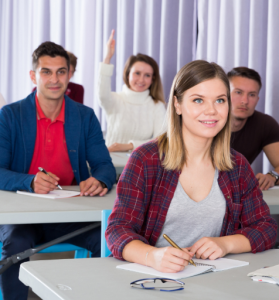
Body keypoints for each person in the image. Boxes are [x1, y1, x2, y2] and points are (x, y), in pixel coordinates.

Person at [106, 60, 277, 273]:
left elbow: (267, 228)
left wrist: (226, 244)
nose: (211, 111)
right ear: (177, 104)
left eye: (220, 100)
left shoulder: (237, 165)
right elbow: (117, 230)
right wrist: (152, 256)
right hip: (156, 281)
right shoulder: (146, 159)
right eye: (198, 100)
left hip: (217, 282)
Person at [0, 41, 116, 300]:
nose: (55, 79)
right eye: (46, 71)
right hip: (22, 217)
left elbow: (105, 165)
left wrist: (100, 179)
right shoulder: (9, 115)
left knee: (109, 242)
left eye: (61, 71)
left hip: (69, 214)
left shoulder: (85, 117)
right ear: (33, 75)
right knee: (16, 245)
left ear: (69, 74)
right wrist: (29, 182)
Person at [98, 29, 166, 152]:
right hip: (109, 164)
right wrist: (107, 57)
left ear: (153, 79)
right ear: (127, 74)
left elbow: (160, 141)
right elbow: (102, 93)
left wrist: (128, 146)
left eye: (147, 75)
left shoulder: (157, 106)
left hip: (140, 165)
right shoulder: (114, 99)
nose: (141, 79)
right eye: (137, 73)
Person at [228, 67, 279, 191]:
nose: (245, 101)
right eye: (238, 92)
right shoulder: (205, 120)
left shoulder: (265, 124)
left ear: (257, 100)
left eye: (251, 95)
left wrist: (272, 176)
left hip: (237, 195)